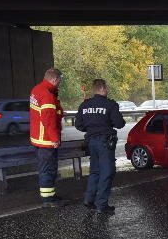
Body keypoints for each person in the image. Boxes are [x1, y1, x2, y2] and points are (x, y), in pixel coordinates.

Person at [75, 79, 126, 215]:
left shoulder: (85, 105)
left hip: (91, 142)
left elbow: (78, 125)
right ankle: (102, 205)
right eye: (106, 88)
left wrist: (92, 128)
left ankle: (88, 199)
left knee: (95, 172)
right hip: (105, 143)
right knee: (107, 172)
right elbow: (120, 123)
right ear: (103, 88)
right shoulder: (110, 105)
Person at [29, 68, 64, 206]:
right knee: (48, 169)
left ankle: (50, 195)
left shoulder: (36, 89)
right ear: (55, 80)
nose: (60, 83)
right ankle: (48, 200)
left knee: (46, 168)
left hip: (38, 138)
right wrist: (55, 139)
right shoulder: (47, 95)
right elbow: (48, 120)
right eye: (59, 80)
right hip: (46, 140)